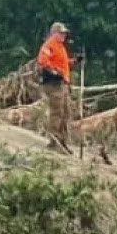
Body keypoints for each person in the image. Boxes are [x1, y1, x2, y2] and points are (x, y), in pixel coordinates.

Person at [35, 22, 74, 151]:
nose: (63, 35)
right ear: (54, 33)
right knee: (57, 112)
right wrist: (54, 72)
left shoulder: (60, 47)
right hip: (54, 84)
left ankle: (62, 140)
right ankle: (54, 140)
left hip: (63, 83)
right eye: (61, 33)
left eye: (64, 33)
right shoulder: (49, 45)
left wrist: (74, 61)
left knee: (66, 112)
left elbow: (62, 63)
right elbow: (43, 62)